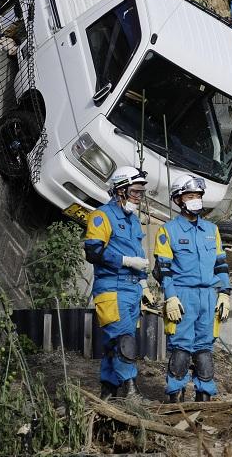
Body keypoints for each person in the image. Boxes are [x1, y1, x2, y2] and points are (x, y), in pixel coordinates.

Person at [154, 175, 231, 402]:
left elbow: (221, 264)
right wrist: (170, 298)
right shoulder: (167, 231)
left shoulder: (211, 230)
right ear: (178, 200)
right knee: (181, 348)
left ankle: (204, 396)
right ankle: (175, 396)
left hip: (208, 296)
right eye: (190, 196)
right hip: (182, 295)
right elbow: (164, 269)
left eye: (198, 196)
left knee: (204, 349)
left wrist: (225, 293)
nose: (196, 200)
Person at [84, 166, 153, 399]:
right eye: (134, 191)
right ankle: (132, 392)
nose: (138, 196)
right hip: (112, 288)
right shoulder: (101, 215)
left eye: (141, 192)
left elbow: (138, 257)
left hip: (131, 289)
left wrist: (144, 285)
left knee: (116, 342)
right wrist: (125, 261)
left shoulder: (133, 221)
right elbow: (93, 251)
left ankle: (108, 393)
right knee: (124, 340)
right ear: (120, 190)